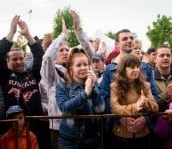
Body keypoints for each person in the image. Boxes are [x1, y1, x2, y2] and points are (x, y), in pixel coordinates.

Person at [99, 29, 158, 149]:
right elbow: (104, 98)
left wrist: (145, 118)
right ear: (117, 44)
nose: (129, 41)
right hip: (119, 130)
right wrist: (120, 118)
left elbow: (155, 96)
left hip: (143, 132)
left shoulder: (146, 68)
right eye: (125, 38)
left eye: (131, 38)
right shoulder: (109, 69)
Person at [0, 15, 49, 149]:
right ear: (8, 62)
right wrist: (11, 32)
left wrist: (27, 34)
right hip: (12, 128)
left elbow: (40, 56)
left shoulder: (32, 74)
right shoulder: (5, 76)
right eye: (14, 59)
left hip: (36, 126)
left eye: (21, 58)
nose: (19, 61)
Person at [55, 47, 105, 149]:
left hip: (92, 139)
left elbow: (100, 109)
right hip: (69, 141)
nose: (83, 68)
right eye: (78, 65)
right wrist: (85, 93)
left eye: (85, 64)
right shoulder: (62, 87)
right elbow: (64, 107)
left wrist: (93, 88)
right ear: (70, 68)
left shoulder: (94, 84)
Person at [110, 54, 158, 149]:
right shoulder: (115, 86)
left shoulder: (145, 85)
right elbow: (114, 108)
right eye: (132, 67)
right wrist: (135, 107)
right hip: (122, 134)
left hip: (142, 134)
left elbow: (155, 107)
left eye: (137, 67)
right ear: (123, 69)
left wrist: (146, 102)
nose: (136, 70)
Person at [40, 19, 70, 149]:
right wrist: (62, 36)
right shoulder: (52, 73)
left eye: (67, 50)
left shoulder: (75, 70)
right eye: (61, 50)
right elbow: (47, 58)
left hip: (76, 124)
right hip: (57, 126)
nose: (65, 52)